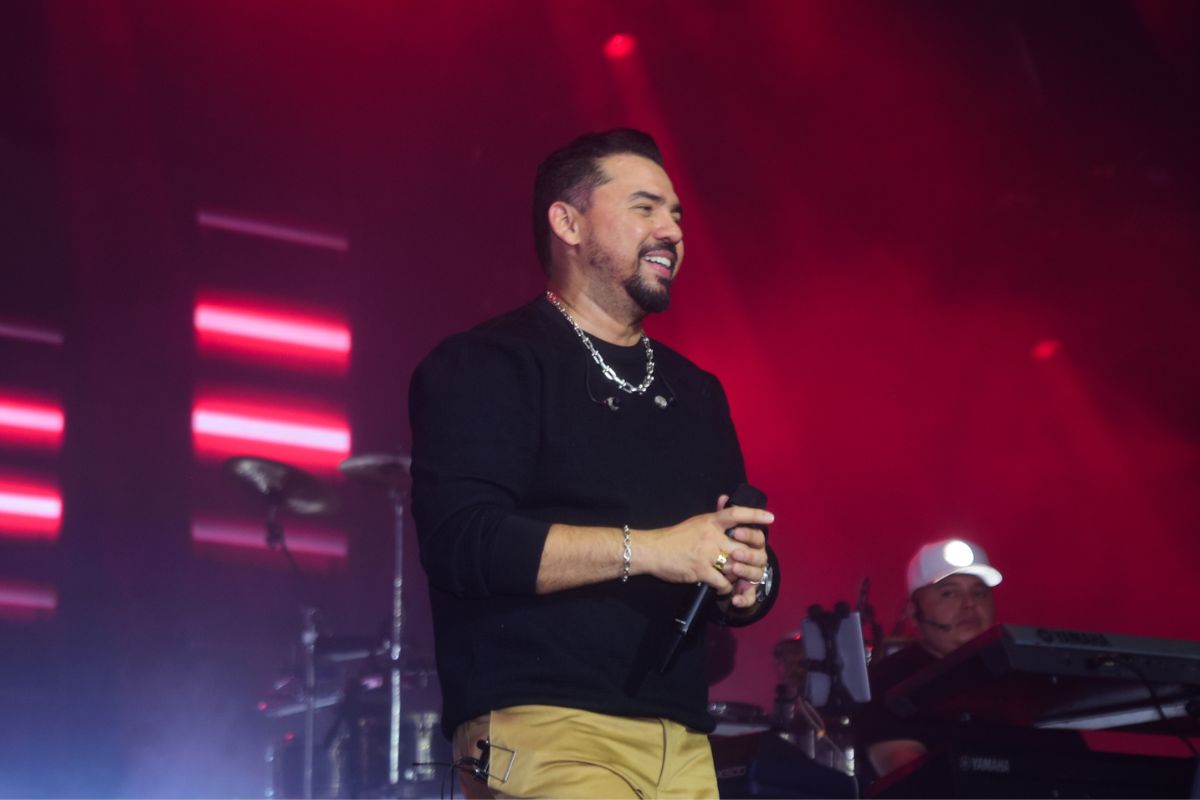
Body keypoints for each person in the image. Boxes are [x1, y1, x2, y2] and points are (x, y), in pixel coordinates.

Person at [408, 128, 778, 798]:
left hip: (685, 742)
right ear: (569, 222)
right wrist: (657, 550)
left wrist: (748, 580)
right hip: (545, 725)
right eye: (645, 207)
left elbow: (718, 556)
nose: (671, 230)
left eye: (676, 215)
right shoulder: (488, 363)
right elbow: (463, 543)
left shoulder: (698, 392)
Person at [854, 537, 1002, 784]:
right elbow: (911, 782)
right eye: (949, 593)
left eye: (979, 593)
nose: (969, 604)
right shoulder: (890, 682)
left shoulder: (1017, 674)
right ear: (914, 611)